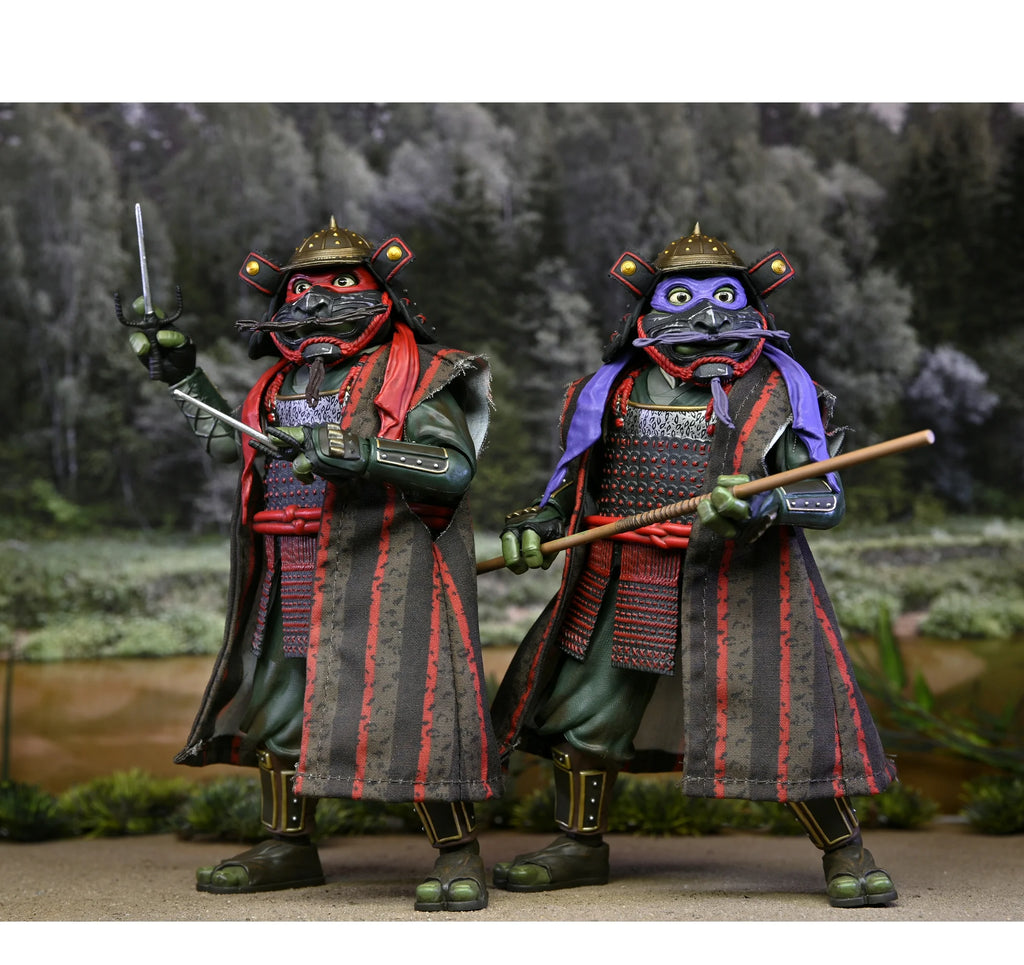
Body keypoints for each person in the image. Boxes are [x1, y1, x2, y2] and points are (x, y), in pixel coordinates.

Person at [491, 224, 898, 908]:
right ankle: (577, 844)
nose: (708, 317)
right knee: (586, 713)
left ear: (754, 308)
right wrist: (537, 523)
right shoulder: (607, 392)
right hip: (622, 578)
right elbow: (573, 484)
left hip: (744, 582)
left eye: (725, 298)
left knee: (786, 716)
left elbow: (824, 498)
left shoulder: (781, 395)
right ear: (646, 313)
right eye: (682, 298)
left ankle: (845, 850)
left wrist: (763, 504)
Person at [123, 217, 501, 911]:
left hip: (385, 570)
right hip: (286, 570)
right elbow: (233, 446)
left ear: (383, 297)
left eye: (341, 285)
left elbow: (452, 468)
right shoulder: (276, 386)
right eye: (301, 292)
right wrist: (186, 379)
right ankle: (287, 844)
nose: (317, 303)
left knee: (411, 710)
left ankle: (457, 851)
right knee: (279, 710)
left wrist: (366, 454)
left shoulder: (418, 376)